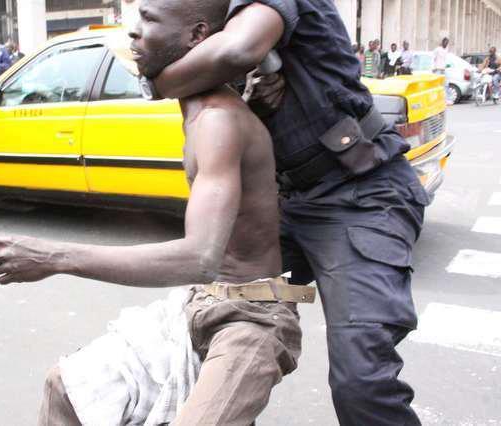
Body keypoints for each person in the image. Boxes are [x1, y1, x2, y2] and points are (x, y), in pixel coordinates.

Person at [0, 0, 311, 424]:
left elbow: (200, 257)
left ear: (197, 36)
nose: (133, 33)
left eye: (149, 20)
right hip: (202, 301)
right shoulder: (201, 110)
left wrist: (54, 258)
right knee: (65, 388)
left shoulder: (218, 120)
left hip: (252, 318)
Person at [146, 0, 427, 424]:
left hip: (361, 195)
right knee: (214, 323)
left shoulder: (246, 23)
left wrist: (157, 81)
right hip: (288, 200)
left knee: (362, 382)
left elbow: (234, 52)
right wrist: (250, 100)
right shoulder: (211, 16)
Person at [433, 37, 451, 104]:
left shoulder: (446, 50)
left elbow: (445, 60)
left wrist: (447, 65)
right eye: (445, 42)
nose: (446, 44)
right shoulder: (437, 49)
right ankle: (436, 99)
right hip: (437, 69)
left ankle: (446, 99)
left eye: (447, 43)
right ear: (442, 42)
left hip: (444, 69)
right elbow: (433, 58)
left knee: (446, 84)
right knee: (437, 85)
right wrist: (433, 68)